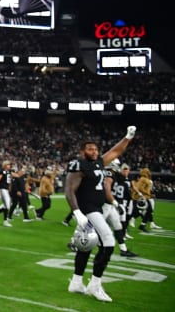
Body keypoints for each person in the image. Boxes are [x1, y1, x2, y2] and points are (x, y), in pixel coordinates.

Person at [66, 125, 136, 302]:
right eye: (90, 149)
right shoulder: (79, 165)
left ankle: (76, 282)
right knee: (109, 241)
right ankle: (95, 285)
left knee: (86, 247)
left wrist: (127, 137)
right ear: (83, 151)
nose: (95, 151)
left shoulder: (99, 162)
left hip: (96, 208)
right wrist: (77, 213)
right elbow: (69, 191)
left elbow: (115, 151)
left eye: (96, 148)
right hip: (88, 210)